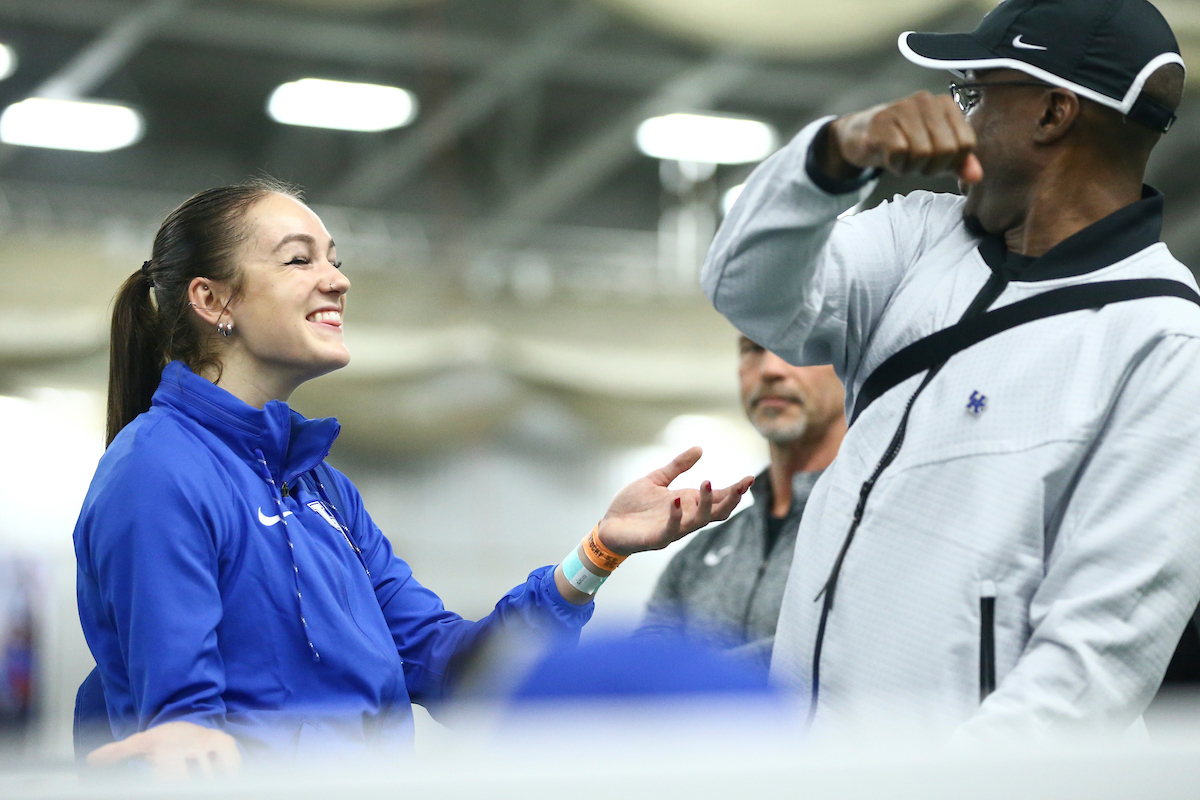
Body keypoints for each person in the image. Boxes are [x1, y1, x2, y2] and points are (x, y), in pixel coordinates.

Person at [74, 179, 753, 776]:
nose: (337, 279)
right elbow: (185, 738)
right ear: (212, 299)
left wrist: (599, 551)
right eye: (299, 259)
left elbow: (451, 666)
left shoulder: (320, 490)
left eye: (335, 260)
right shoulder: (157, 472)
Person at [701, 0, 1200, 739]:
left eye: (975, 94)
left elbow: (1092, 668)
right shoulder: (919, 238)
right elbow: (745, 288)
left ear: (1052, 113)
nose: (956, 116)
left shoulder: (1164, 344)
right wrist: (832, 157)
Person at [637, 338, 845, 667]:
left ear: (852, 366)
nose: (770, 369)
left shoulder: (884, 531)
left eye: (799, 344)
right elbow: (645, 677)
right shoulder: (699, 554)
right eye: (753, 348)